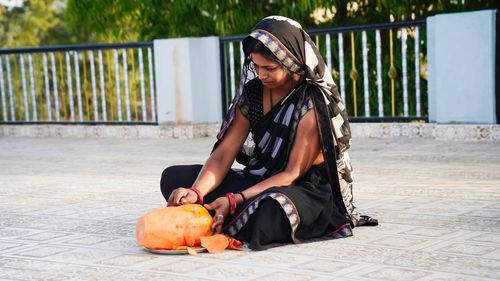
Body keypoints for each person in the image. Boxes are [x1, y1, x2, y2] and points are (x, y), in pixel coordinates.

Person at [161, 16, 377, 250]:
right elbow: (223, 155)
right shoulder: (253, 93)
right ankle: (220, 212)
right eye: (256, 66)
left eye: (270, 68)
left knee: (272, 211)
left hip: (301, 188)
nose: (261, 75)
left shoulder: (311, 102)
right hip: (260, 179)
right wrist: (195, 192)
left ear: (291, 62)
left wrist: (234, 200)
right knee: (173, 179)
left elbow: (291, 173)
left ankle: (221, 213)